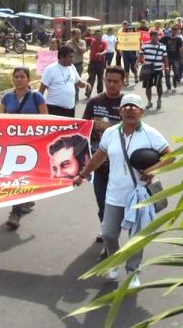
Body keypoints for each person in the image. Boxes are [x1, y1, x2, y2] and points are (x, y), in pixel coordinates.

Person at [73, 93, 173, 286]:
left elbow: (171, 157)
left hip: (139, 195)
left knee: (136, 238)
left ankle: (133, 271)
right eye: (125, 107)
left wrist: (151, 171)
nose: (129, 111)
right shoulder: (110, 133)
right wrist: (83, 175)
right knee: (109, 233)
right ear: (120, 112)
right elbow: (99, 157)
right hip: (114, 194)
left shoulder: (151, 134)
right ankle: (113, 262)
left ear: (141, 112)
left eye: (134, 107)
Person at [0, 67, 48, 230]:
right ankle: (21, 205)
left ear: (28, 80)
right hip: (12, 145)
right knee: (15, 176)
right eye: (16, 77)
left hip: (31, 146)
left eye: (22, 76)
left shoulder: (36, 97)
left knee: (23, 176)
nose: (19, 79)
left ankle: (16, 211)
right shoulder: (6, 98)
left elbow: (45, 121)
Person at [82, 66, 125, 250]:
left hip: (120, 166)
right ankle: (106, 228)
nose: (111, 84)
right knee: (102, 200)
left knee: (115, 202)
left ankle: (111, 232)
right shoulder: (94, 102)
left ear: (123, 82)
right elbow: (83, 128)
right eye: (109, 80)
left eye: (116, 81)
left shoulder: (127, 104)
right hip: (99, 164)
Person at [39, 46, 88, 118]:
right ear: (62, 57)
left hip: (70, 109)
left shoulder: (72, 67)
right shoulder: (50, 69)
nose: (72, 59)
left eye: (73, 57)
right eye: (70, 57)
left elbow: (79, 83)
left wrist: (86, 84)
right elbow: (41, 90)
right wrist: (40, 108)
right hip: (54, 109)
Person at [139, 30, 167, 110]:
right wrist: (137, 63)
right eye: (153, 36)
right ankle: (149, 102)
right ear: (150, 37)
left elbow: (165, 57)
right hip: (148, 70)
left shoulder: (162, 46)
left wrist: (167, 67)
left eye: (157, 36)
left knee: (158, 85)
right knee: (148, 86)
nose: (155, 37)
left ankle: (159, 99)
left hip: (158, 69)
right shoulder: (145, 45)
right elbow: (141, 55)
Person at [65, 28, 87, 104]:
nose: (78, 36)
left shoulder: (82, 42)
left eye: (79, 34)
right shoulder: (68, 43)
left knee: (77, 82)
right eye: (77, 34)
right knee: (70, 82)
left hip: (79, 65)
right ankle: (70, 97)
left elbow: (82, 51)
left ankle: (75, 99)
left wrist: (75, 44)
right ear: (73, 35)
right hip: (70, 66)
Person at [160, 26, 183, 92]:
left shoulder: (179, 39)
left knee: (177, 72)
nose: (174, 32)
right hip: (167, 58)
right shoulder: (166, 38)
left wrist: (181, 57)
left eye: (175, 31)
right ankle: (168, 85)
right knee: (167, 72)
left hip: (176, 58)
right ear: (171, 31)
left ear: (177, 32)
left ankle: (174, 80)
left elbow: (180, 48)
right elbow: (159, 42)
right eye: (173, 31)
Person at [86, 29, 107, 98]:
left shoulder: (104, 42)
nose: (99, 36)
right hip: (92, 62)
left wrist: (101, 53)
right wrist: (86, 32)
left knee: (100, 78)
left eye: (100, 34)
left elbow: (106, 50)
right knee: (91, 78)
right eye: (97, 34)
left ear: (102, 35)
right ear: (94, 35)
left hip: (100, 63)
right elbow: (83, 38)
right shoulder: (92, 41)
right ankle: (88, 92)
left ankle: (100, 93)